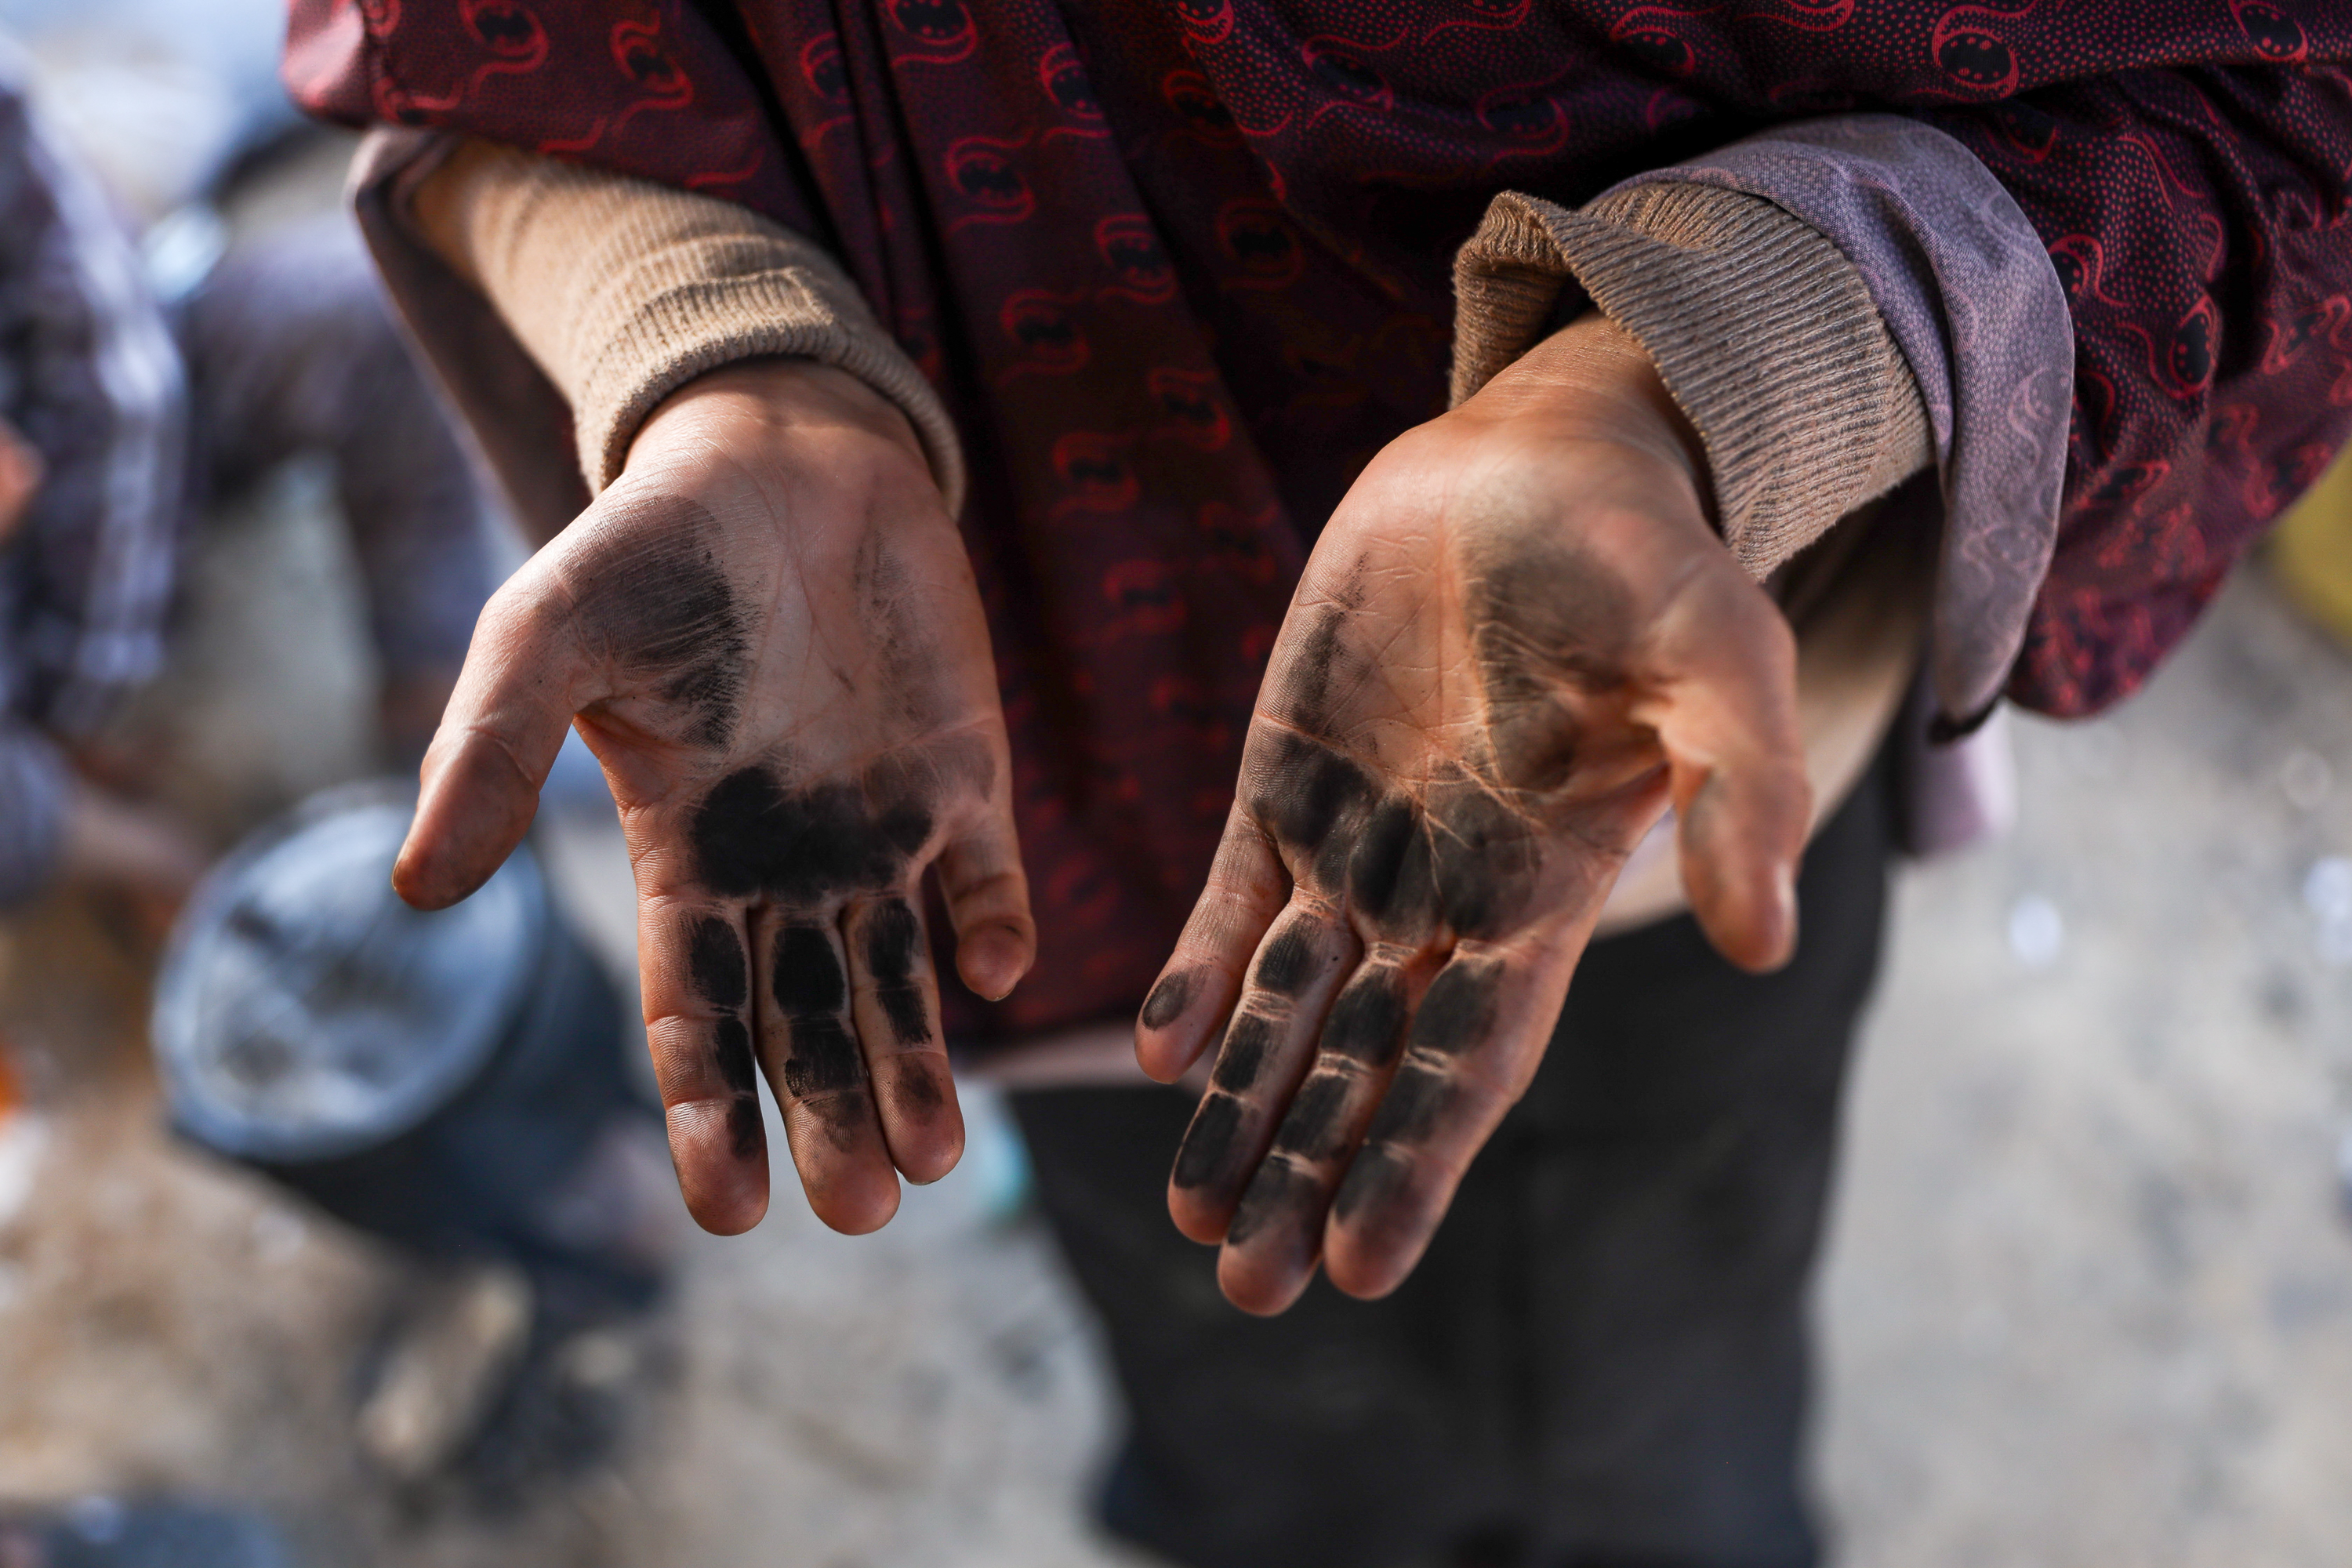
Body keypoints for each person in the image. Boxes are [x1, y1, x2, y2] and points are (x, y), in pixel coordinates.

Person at [286, 5, 2352, 1564]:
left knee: (1653, 1422)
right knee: (1243, 1404)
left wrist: (1699, 384)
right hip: (1010, 824)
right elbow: (464, 59)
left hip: (1609, 774)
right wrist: (716, 360)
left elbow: (2272, 105)